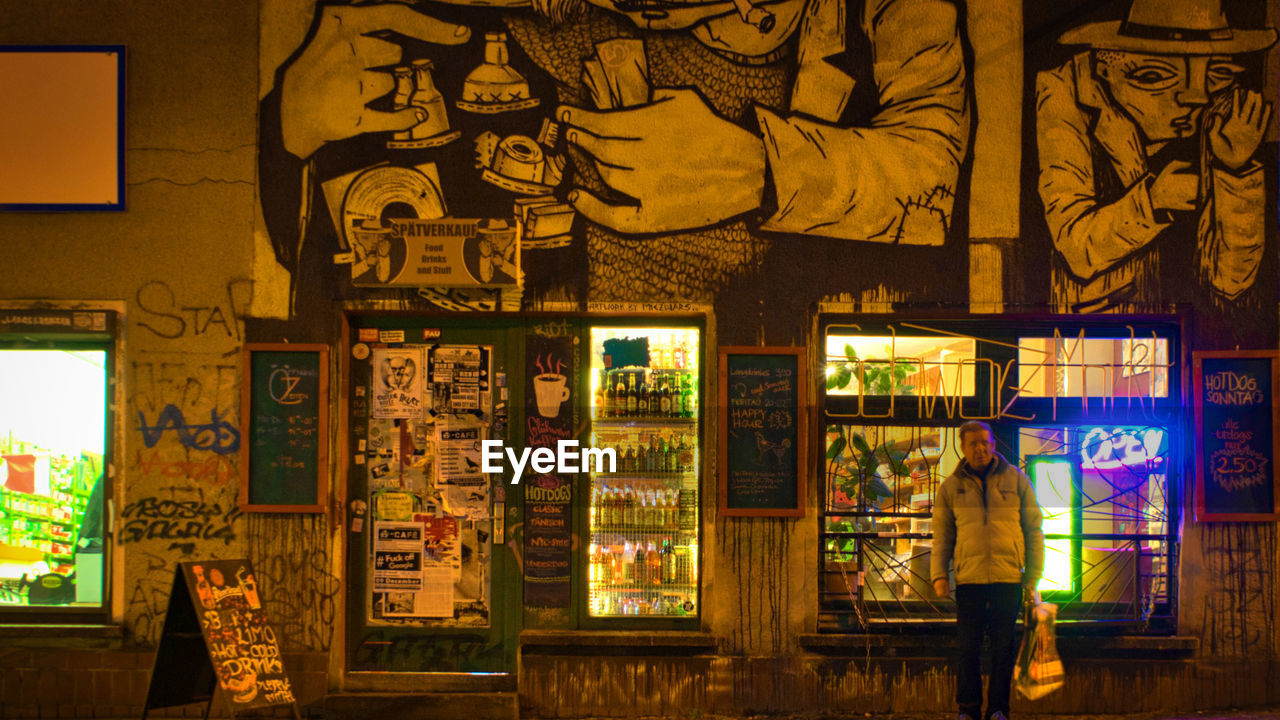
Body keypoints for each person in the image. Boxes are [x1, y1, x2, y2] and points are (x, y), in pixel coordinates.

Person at [259, 0, 970, 304]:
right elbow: (316, 272)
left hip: (765, 327)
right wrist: (291, 125)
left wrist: (766, 167)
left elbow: (933, 166)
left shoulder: (880, 15)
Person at [1035, 0, 1275, 313]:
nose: (1195, 96)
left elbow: (1232, 280)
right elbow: (1076, 246)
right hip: (1104, 327)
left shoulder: (1223, 108)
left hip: (1191, 328)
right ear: (1105, 69)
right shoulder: (1067, 93)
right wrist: (1154, 201)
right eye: (1155, 76)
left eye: (1216, 73)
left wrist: (1235, 170)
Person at [930, 421, 1044, 720]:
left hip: (1008, 578)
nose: (980, 449)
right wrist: (940, 575)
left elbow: (1034, 530)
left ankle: (998, 711)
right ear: (962, 449)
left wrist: (1033, 574)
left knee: (1003, 649)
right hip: (969, 581)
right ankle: (967, 712)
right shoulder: (951, 487)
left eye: (985, 442)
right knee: (968, 649)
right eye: (973, 444)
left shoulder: (1016, 480)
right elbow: (942, 536)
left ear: (993, 444)